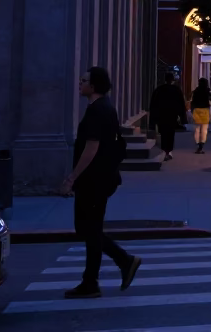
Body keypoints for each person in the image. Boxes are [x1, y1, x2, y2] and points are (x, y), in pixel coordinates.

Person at [61, 67, 141, 299]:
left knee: (87, 228)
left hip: (94, 180)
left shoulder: (98, 110)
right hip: (99, 179)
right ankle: (90, 282)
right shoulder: (103, 108)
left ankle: (124, 260)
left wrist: (71, 178)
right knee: (90, 229)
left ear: (93, 86)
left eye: (83, 80)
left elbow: (92, 147)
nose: (79, 83)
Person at [149, 73, 184, 161]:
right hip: (172, 115)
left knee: (163, 133)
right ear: (172, 80)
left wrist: (153, 118)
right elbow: (180, 104)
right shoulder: (176, 90)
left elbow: (153, 104)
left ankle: (164, 150)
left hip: (161, 115)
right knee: (171, 133)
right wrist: (182, 117)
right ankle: (169, 151)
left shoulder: (159, 90)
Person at [189, 78, 211, 154]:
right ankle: (201, 146)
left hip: (196, 110)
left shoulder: (195, 91)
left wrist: (192, 110)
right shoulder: (208, 91)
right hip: (205, 110)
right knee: (204, 129)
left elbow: (192, 101)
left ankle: (197, 144)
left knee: (197, 129)